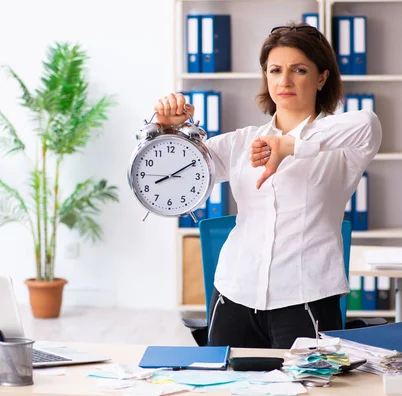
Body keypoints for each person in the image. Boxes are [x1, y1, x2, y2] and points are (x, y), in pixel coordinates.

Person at [153, 23, 382, 349]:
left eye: (299, 70)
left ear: (321, 78)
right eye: (275, 70)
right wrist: (169, 132)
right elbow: (171, 178)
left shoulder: (343, 147)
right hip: (234, 295)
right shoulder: (241, 142)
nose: (285, 81)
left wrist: (288, 146)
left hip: (306, 301)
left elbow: (368, 124)